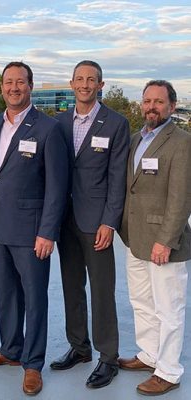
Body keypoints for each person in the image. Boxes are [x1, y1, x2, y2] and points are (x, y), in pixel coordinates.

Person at [0, 61, 68, 395]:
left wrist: (47, 232)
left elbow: (57, 186)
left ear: (30, 86)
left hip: (31, 232)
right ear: (1, 87)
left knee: (34, 298)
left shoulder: (48, 128)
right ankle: (11, 350)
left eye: (20, 82)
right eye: (8, 82)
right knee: (5, 295)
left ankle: (32, 364)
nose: (14, 88)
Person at [50, 60, 130, 389]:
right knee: (71, 287)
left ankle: (108, 357)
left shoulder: (116, 123)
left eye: (91, 79)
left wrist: (109, 222)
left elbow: (117, 177)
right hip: (64, 221)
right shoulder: (58, 123)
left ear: (100, 84)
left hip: (96, 222)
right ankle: (79, 347)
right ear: (71, 83)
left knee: (101, 290)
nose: (85, 84)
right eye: (79, 79)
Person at [118, 80, 191, 396]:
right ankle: (149, 353)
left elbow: (181, 197)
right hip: (136, 239)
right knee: (141, 301)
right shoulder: (137, 139)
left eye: (159, 102)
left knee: (168, 307)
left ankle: (169, 371)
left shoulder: (181, 143)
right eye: (147, 101)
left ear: (172, 107)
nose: (151, 107)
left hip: (163, 243)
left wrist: (167, 239)